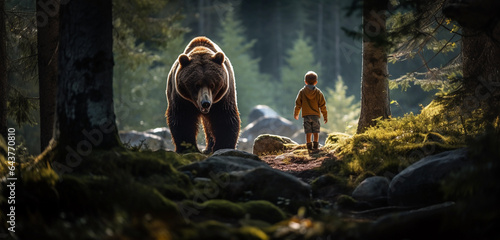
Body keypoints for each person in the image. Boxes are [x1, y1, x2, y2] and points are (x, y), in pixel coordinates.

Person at [294, 71, 328, 152]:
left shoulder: (302, 92)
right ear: (316, 82)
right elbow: (323, 105)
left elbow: (298, 104)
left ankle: (309, 146)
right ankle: (316, 146)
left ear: (305, 81)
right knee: (316, 131)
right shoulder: (318, 93)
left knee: (308, 132)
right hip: (315, 115)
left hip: (306, 115)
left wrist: (296, 113)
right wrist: (325, 116)